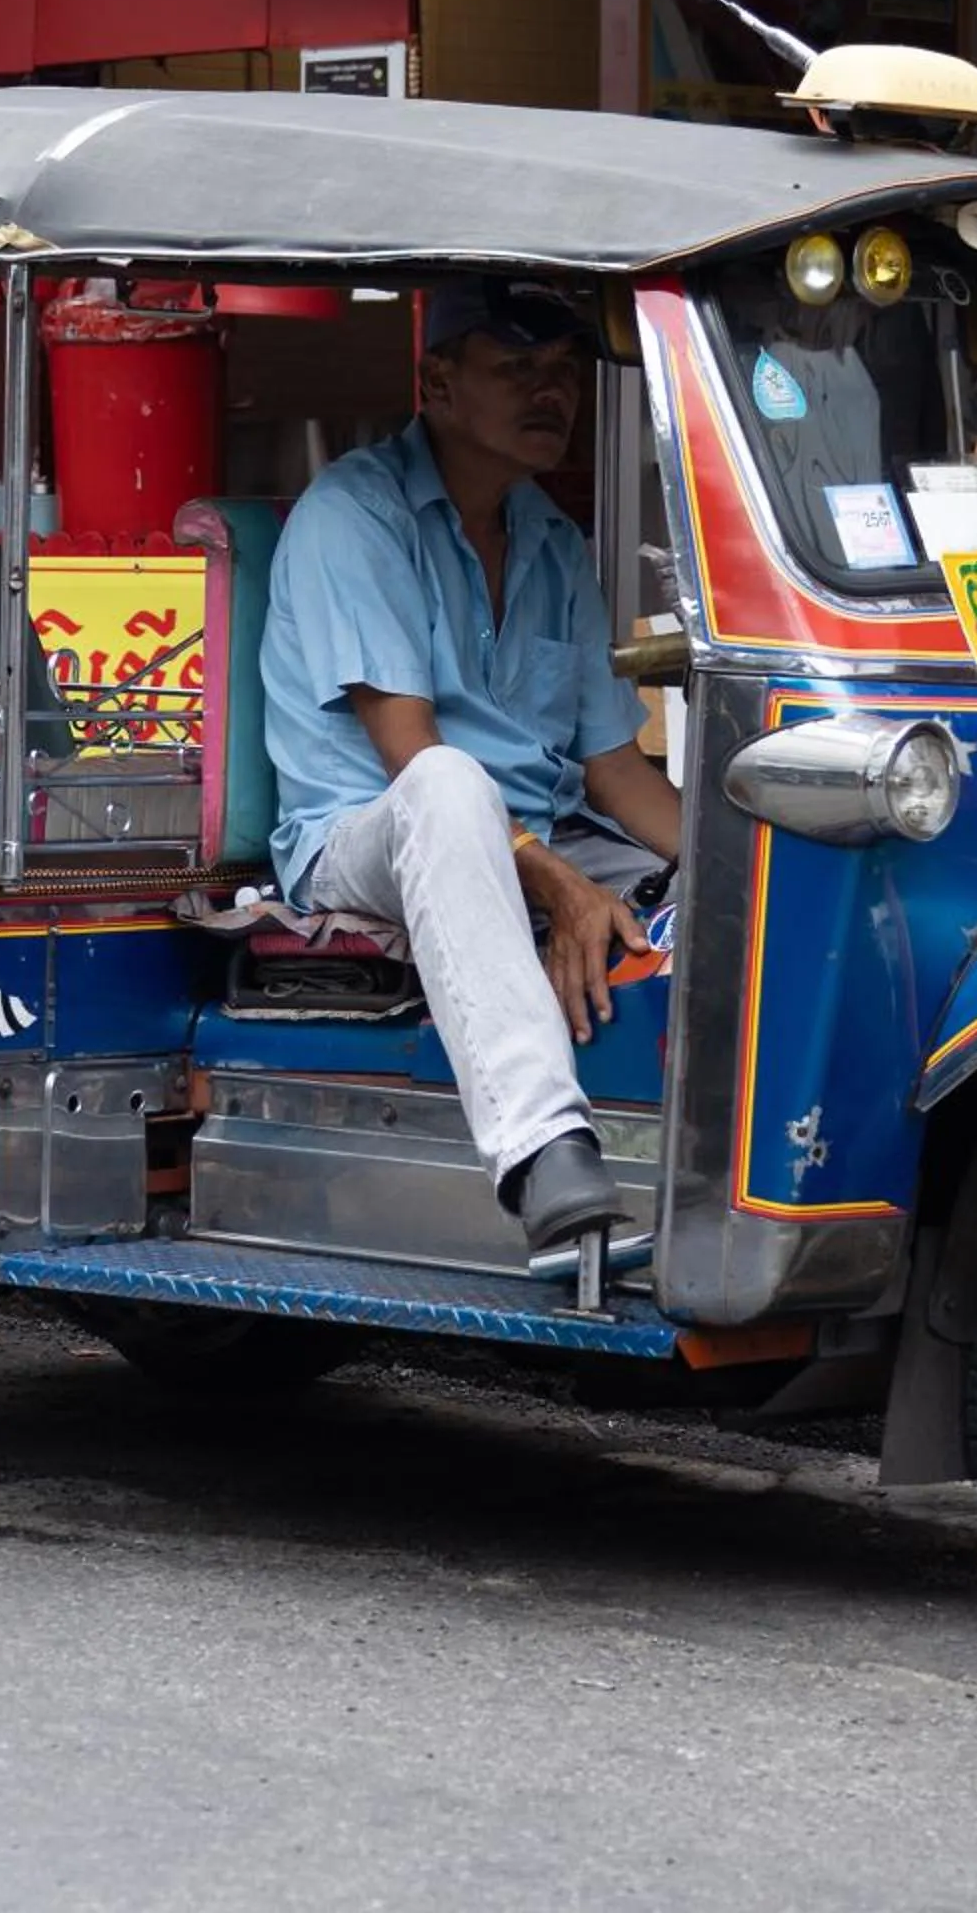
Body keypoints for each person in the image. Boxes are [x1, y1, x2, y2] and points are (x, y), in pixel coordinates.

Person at [260, 281, 681, 1253]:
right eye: (518, 370)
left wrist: (745, 861)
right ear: (439, 385)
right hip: (365, 834)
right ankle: (541, 1147)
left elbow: (616, 771)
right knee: (450, 788)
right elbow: (410, 753)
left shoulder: (553, 540)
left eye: (564, 374)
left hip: (550, 841)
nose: (552, 395)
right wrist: (562, 884)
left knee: (751, 889)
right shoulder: (355, 514)